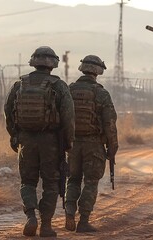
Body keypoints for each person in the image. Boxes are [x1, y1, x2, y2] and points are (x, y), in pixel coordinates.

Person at [4, 46, 75, 237]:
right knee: (51, 184)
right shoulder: (58, 86)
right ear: (53, 64)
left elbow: (8, 110)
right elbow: (68, 118)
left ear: (33, 62)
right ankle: (45, 226)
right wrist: (68, 143)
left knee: (27, 181)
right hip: (51, 142)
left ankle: (31, 216)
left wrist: (14, 135)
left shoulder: (20, 84)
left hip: (26, 140)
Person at [65, 55, 119, 232]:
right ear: (98, 71)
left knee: (73, 180)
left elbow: (61, 118)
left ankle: (69, 213)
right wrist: (112, 148)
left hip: (72, 144)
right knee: (91, 181)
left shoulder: (69, 90)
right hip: (94, 144)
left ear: (82, 68)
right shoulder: (101, 93)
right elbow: (110, 124)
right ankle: (83, 221)